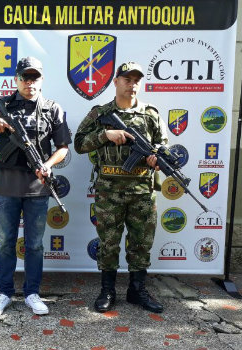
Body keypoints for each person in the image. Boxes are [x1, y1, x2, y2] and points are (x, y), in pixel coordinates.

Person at [0, 57, 71, 316]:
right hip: (6, 186)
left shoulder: (53, 109)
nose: (30, 83)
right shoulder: (2, 105)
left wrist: (49, 165)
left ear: (41, 80)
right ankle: (4, 293)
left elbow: (63, 147)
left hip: (38, 188)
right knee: (6, 242)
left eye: (35, 78)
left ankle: (32, 293)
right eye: (25, 78)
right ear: (16, 79)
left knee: (35, 245)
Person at [74, 62, 167, 313]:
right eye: (127, 79)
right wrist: (106, 135)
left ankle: (137, 291)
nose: (132, 84)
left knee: (141, 243)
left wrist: (156, 158)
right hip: (109, 191)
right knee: (109, 243)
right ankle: (107, 291)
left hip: (142, 192)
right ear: (115, 82)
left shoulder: (151, 114)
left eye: (137, 79)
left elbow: (162, 146)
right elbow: (79, 143)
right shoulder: (101, 113)